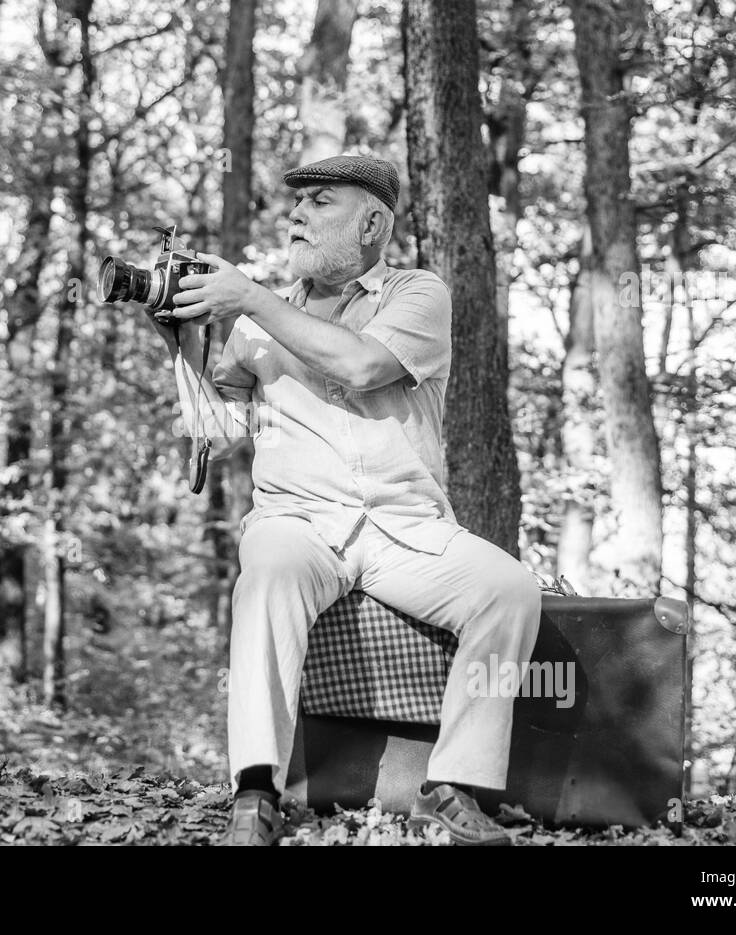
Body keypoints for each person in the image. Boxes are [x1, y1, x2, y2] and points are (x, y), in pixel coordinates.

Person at [146, 154, 542, 846]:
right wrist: (179, 338)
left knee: (509, 587)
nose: (296, 216)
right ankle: (255, 792)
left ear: (371, 222)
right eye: (294, 205)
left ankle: (454, 783)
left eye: (318, 202)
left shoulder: (417, 293)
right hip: (297, 522)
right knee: (267, 571)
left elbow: (363, 366)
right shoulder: (253, 321)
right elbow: (216, 426)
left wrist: (250, 299)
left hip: (404, 527)